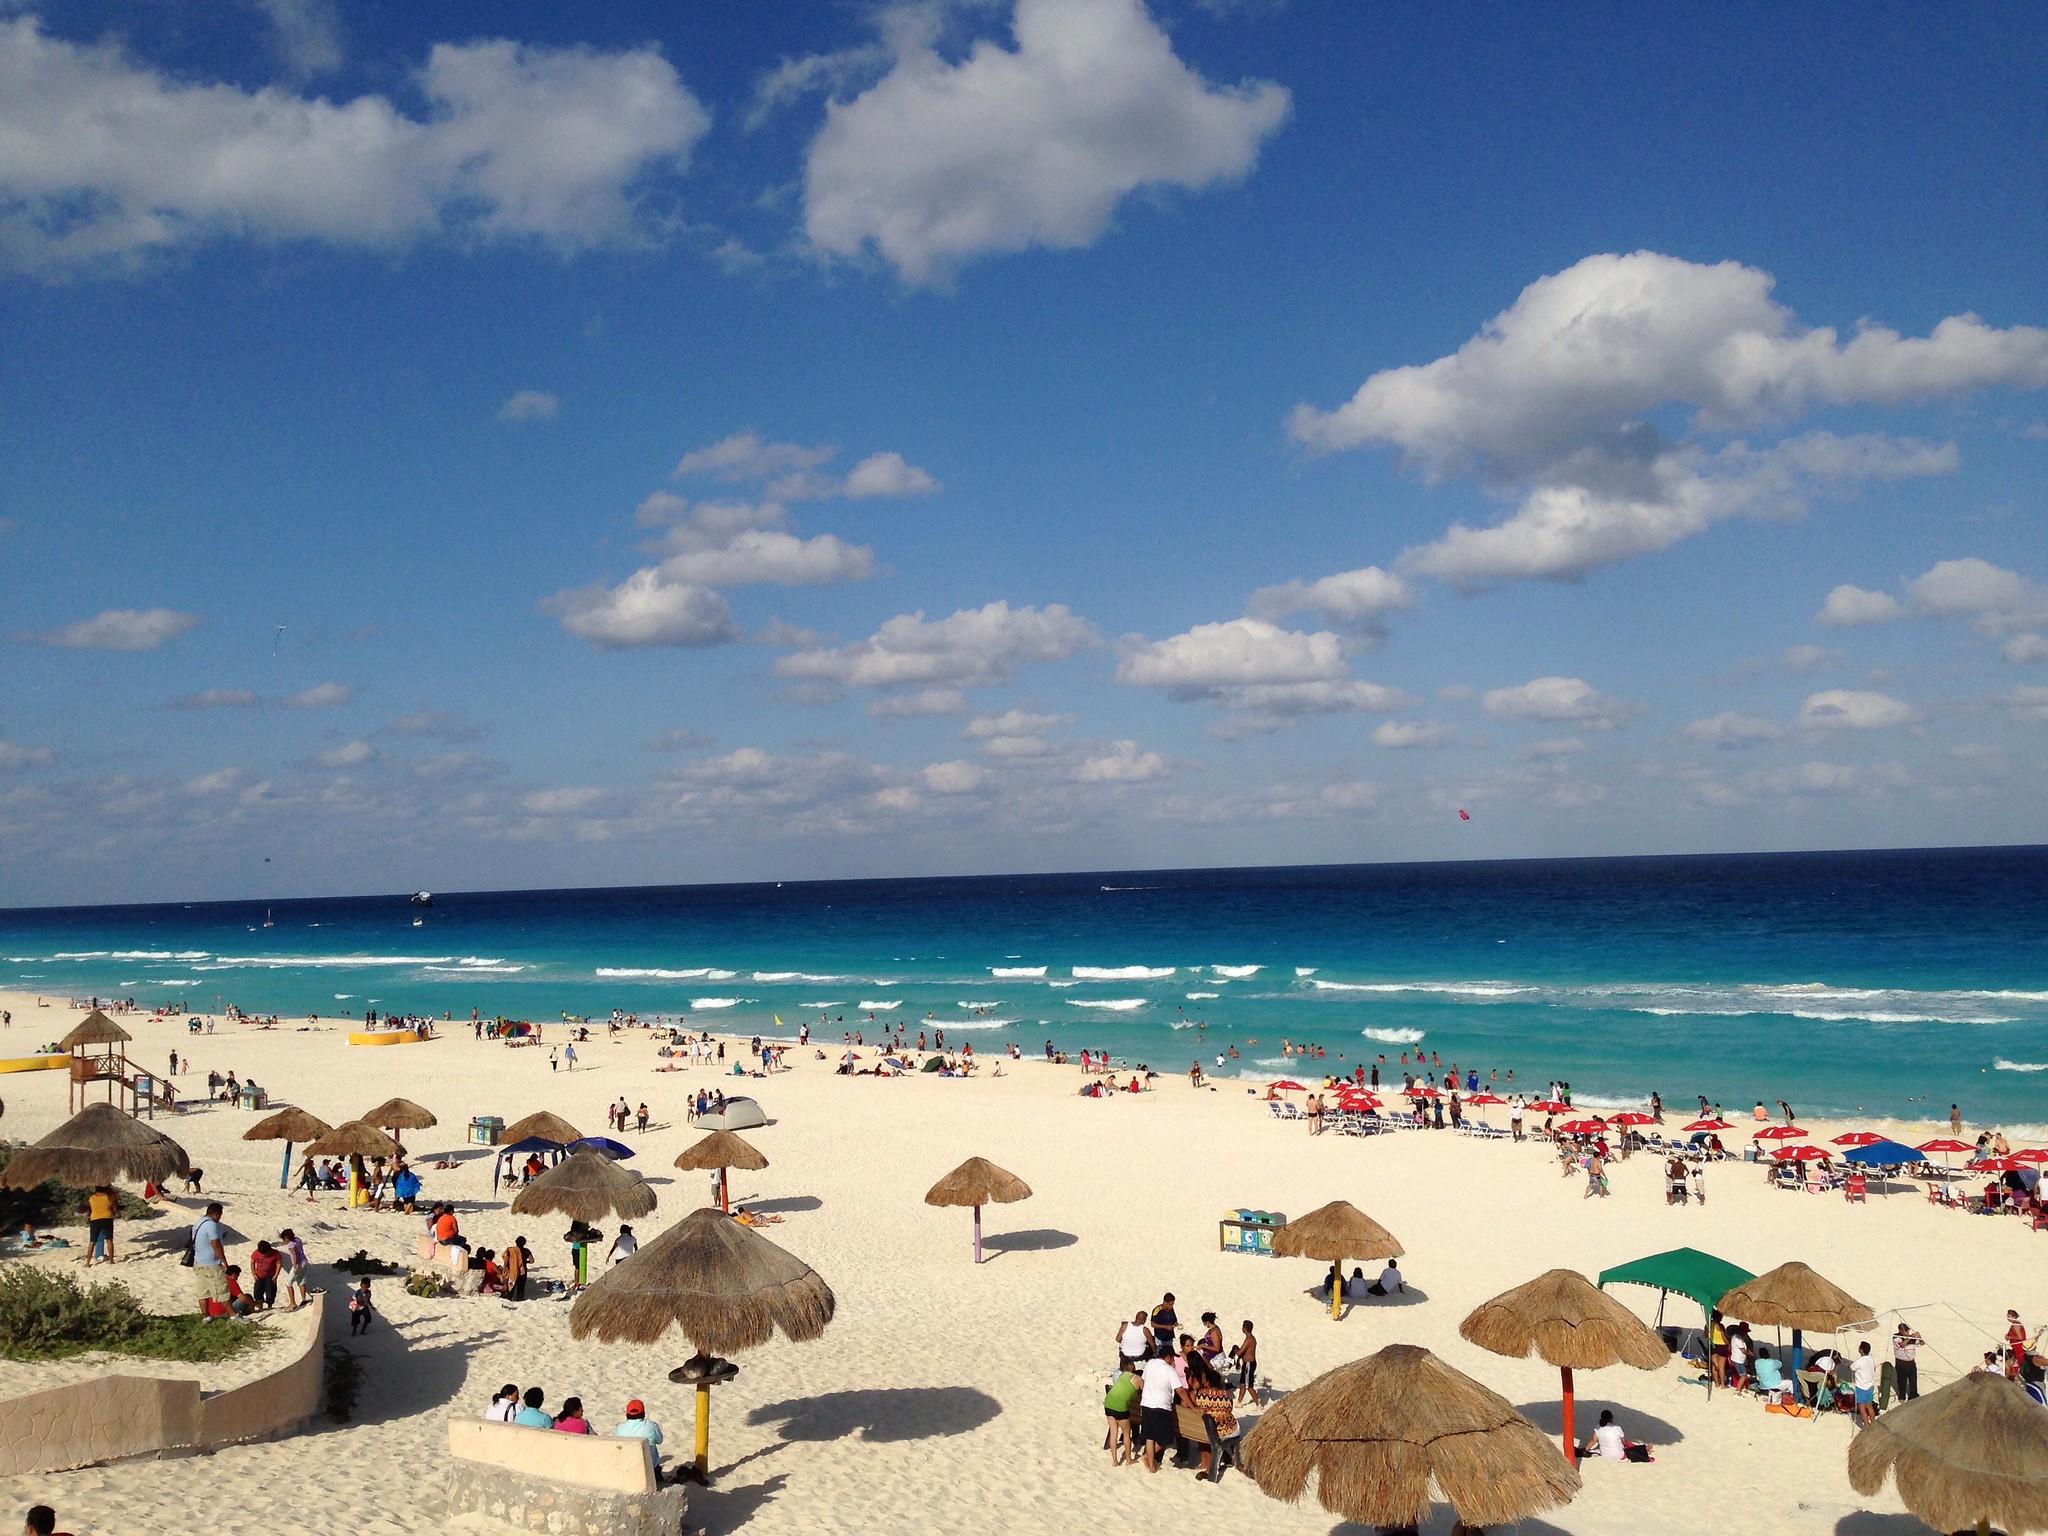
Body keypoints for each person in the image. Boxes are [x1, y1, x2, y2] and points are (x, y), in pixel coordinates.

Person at [1138, 1348, 1179, 1472]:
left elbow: (1143, 1381)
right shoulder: (1169, 1370)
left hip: (1146, 1403)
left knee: (1150, 1436)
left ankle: (1151, 1465)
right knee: (1165, 1438)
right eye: (1172, 1358)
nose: (1173, 1361)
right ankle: (1147, 1457)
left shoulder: (1150, 1363)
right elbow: (1179, 1389)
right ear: (1167, 1357)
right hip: (1161, 1406)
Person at [191, 1201, 228, 1316]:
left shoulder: (199, 1221)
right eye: (220, 1215)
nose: (219, 1218)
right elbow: (216, 1244)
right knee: (222, 1291)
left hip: (199, 1261)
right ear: (216, 1214)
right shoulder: (211, 1225)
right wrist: (224, 1261)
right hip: (211, 1264)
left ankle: (206, 1316)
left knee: (203, 1293)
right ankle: (233, 1316)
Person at [1103, 1365, 1139, 1466]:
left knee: (1113, 1433)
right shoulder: (1139, 1381)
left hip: (1108, 1404)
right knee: (1126, 1434)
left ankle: (1114, 1460)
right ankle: (1128, 1459)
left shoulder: (1123, 1375)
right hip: (1121, 1408)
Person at [83, 1184, 116, 1267]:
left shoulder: (91, 1198)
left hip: (95, 1219)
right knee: (109, 1240)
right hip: (107, 1218)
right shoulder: (109, 1197)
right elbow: (114, 1209)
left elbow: (89, 1208)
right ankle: (111, 1260)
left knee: (92, 1241)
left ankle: (87, 1263)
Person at [247, 1239, 282, 1310]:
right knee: (258, 1292)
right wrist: (253, 1273)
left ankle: (269, 1306)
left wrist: (276, 1275)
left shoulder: (276, 1253)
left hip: (270, 1275)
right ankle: (260, 1307)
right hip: (258, 1275)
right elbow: (252, 1262)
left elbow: (278, 1263)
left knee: (270, 1292)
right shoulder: (256, 1253)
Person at [1230, 1319, 1258, 1405]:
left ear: (1244, 1329)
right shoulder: (1250, 1339)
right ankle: (1239, 1402)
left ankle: (1258, 1404)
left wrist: (1235, 1350)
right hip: (1247, 1364)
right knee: (1242, 1384)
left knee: (1248, 1386)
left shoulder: (1249, 1340)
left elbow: (1240, 1352)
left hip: (1249, 1364)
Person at [280, 1228, 308, 1310]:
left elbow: (294, 1255)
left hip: (298, 1264)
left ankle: (292, 1303)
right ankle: (303, 1299)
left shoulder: (291, 1244)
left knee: (288, 1283)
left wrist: (295, 1267)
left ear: (287, 1238)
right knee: (301, 1280)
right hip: (304, 1262)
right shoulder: (298, 1239)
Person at [1893, 1322, 1922, 1400]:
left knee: (1913, 1380)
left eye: (1907, 1331)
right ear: (1900, 1330)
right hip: (1901, 1362)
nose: (1907, 1332)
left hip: (1911, 1362)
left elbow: (1922, 1343)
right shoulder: (1896, 1337)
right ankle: (1902, 1396)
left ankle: (1913, 1395)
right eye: (1905, 1331)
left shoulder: (1912, 1338)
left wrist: (1919, 1337)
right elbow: (1902, 1345)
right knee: (1901, 1380)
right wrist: (1909, 1338)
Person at [1851, 1341, 1878, 1424]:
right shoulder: (1871, 1358)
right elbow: (1874, 1368)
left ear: (1861, 1350)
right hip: (1870, 1385)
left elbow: (1851, 1368)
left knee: (1861, 1408)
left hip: (1861, 1387)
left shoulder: (1859, 1361)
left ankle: (1866, 1426)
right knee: (1869, 1406)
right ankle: (1873, 1423)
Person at [504, 1235, 530, 1301]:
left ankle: (509, 1298)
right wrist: (526, 1261)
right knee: (521, 1288)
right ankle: (519, 1299)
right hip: (522, 1270)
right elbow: (532, 1260)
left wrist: (505, 1268)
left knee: (511, 1286)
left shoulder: (511, 1250)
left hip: (513, 1270)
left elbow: (506, 1259)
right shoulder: (526, 1251)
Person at [2008, 1310, 2028, 1379]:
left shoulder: (2015, 1325)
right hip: (2016, 1348)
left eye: (2009, 1316)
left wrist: (2009, 1337)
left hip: (2018, 1348)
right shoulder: (2017, 1324)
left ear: (2013, 1316)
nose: (2007, 1318)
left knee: (2020, 1362)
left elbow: (2020, 1337)